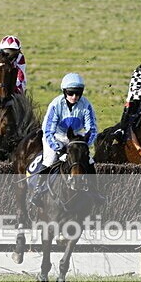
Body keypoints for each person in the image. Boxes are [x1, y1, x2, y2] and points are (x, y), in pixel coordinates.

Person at [30, 73, 99, 206]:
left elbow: (92, 129)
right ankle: (38, 191)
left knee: (89, 161)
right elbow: (48, 130)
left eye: (78, 93)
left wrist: (85, 144)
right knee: (49, 160)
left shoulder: (86, 105)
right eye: (71, 93)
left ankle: (95, 191)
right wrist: (59, 151)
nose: (74, 97)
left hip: (76, 138)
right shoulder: (56, 104)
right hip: (56, 136)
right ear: (64, 92)